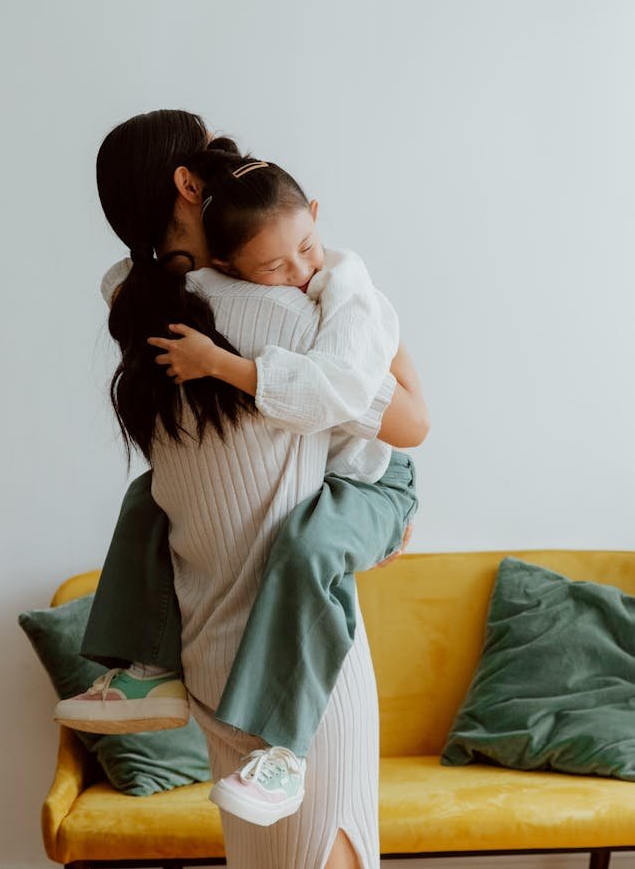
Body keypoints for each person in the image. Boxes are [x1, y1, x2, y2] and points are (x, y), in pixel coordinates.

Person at [60, 110, 429, 868]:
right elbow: (411, 421)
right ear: (190, 184)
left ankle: (143, 669)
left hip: (209, 660)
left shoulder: (136, 312)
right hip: (304, 674)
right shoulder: (286, 312)